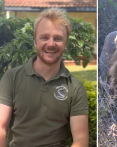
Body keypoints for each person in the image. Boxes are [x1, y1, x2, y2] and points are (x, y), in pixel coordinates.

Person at [0, 8, 89, 147]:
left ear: (65, 44)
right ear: (35, 41)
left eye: (58, 38)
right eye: (44, 37)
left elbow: (81, 139)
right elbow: (1, 128)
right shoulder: (11, 78)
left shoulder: (75, 87)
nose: (51, 44)